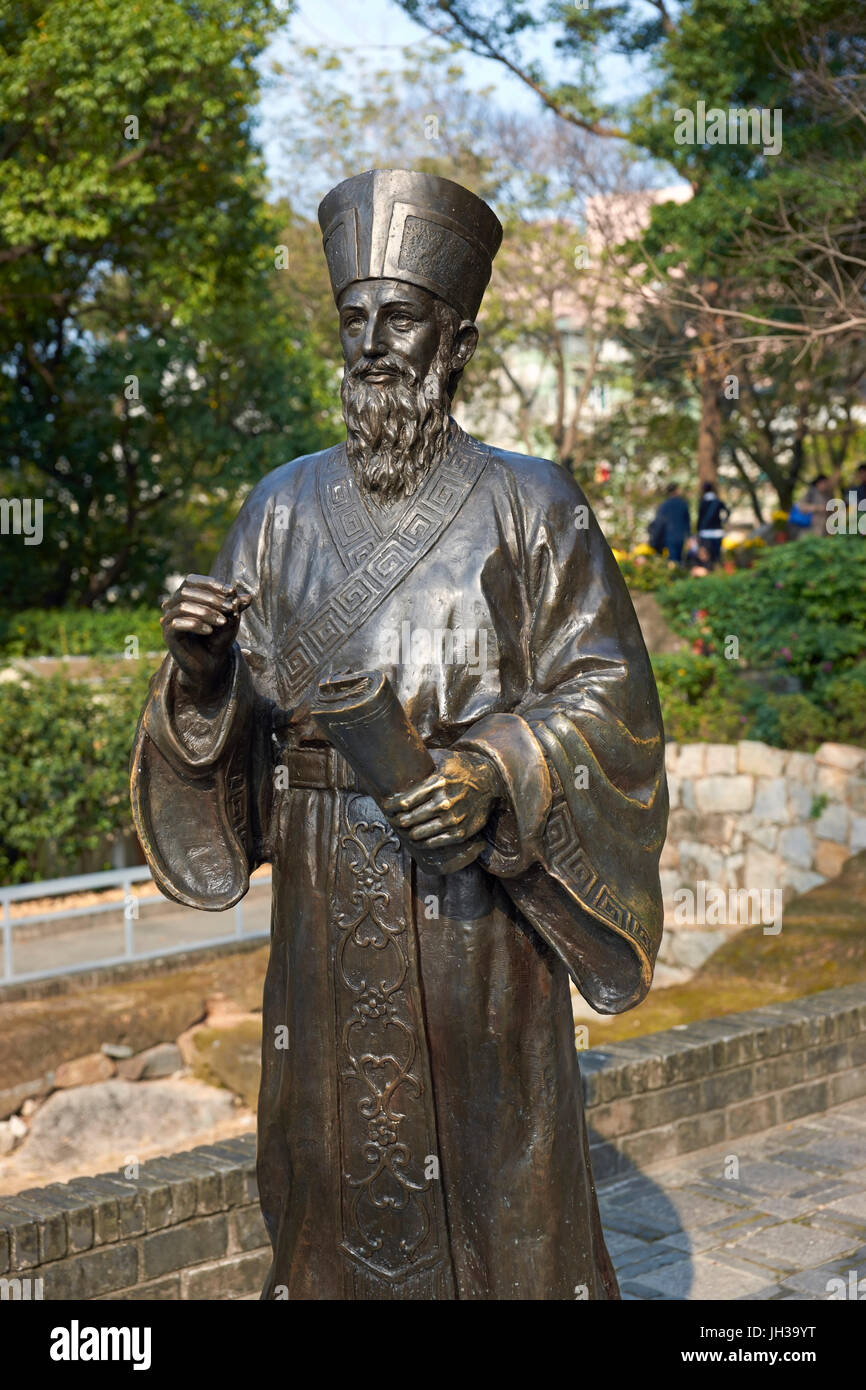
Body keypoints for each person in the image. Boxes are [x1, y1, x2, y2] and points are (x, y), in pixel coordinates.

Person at [130, 169, 666, 1302]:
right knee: (325, 1153)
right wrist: (200, 671)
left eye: (402, 318)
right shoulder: (278, 505)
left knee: (497, 1169)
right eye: (353, 320)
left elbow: (608, 695)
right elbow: (236, 719)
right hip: (326, 897)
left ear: (456, 339)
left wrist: (489, 768)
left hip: (476, 909)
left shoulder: (534, 501)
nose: (373, 344)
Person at [649, 482, 691, 564]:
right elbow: (687, 522)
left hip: (669, 536)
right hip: (680, 536)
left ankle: (674, 573)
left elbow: (659, 523)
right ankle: (678, 571)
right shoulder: (683, 504)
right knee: (679, 557)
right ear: (676, 490)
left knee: (672, 558)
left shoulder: (664, 505)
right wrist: (689, 536)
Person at [697, 480, 729, 561]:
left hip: (705, 533)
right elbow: (728, 511)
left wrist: (698, 530)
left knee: (707, 557)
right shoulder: (718, 502)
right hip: (717, 532)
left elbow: (700, 517)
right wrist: (724, 521)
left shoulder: (702, 502)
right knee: (717, 555)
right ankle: (718, 570)